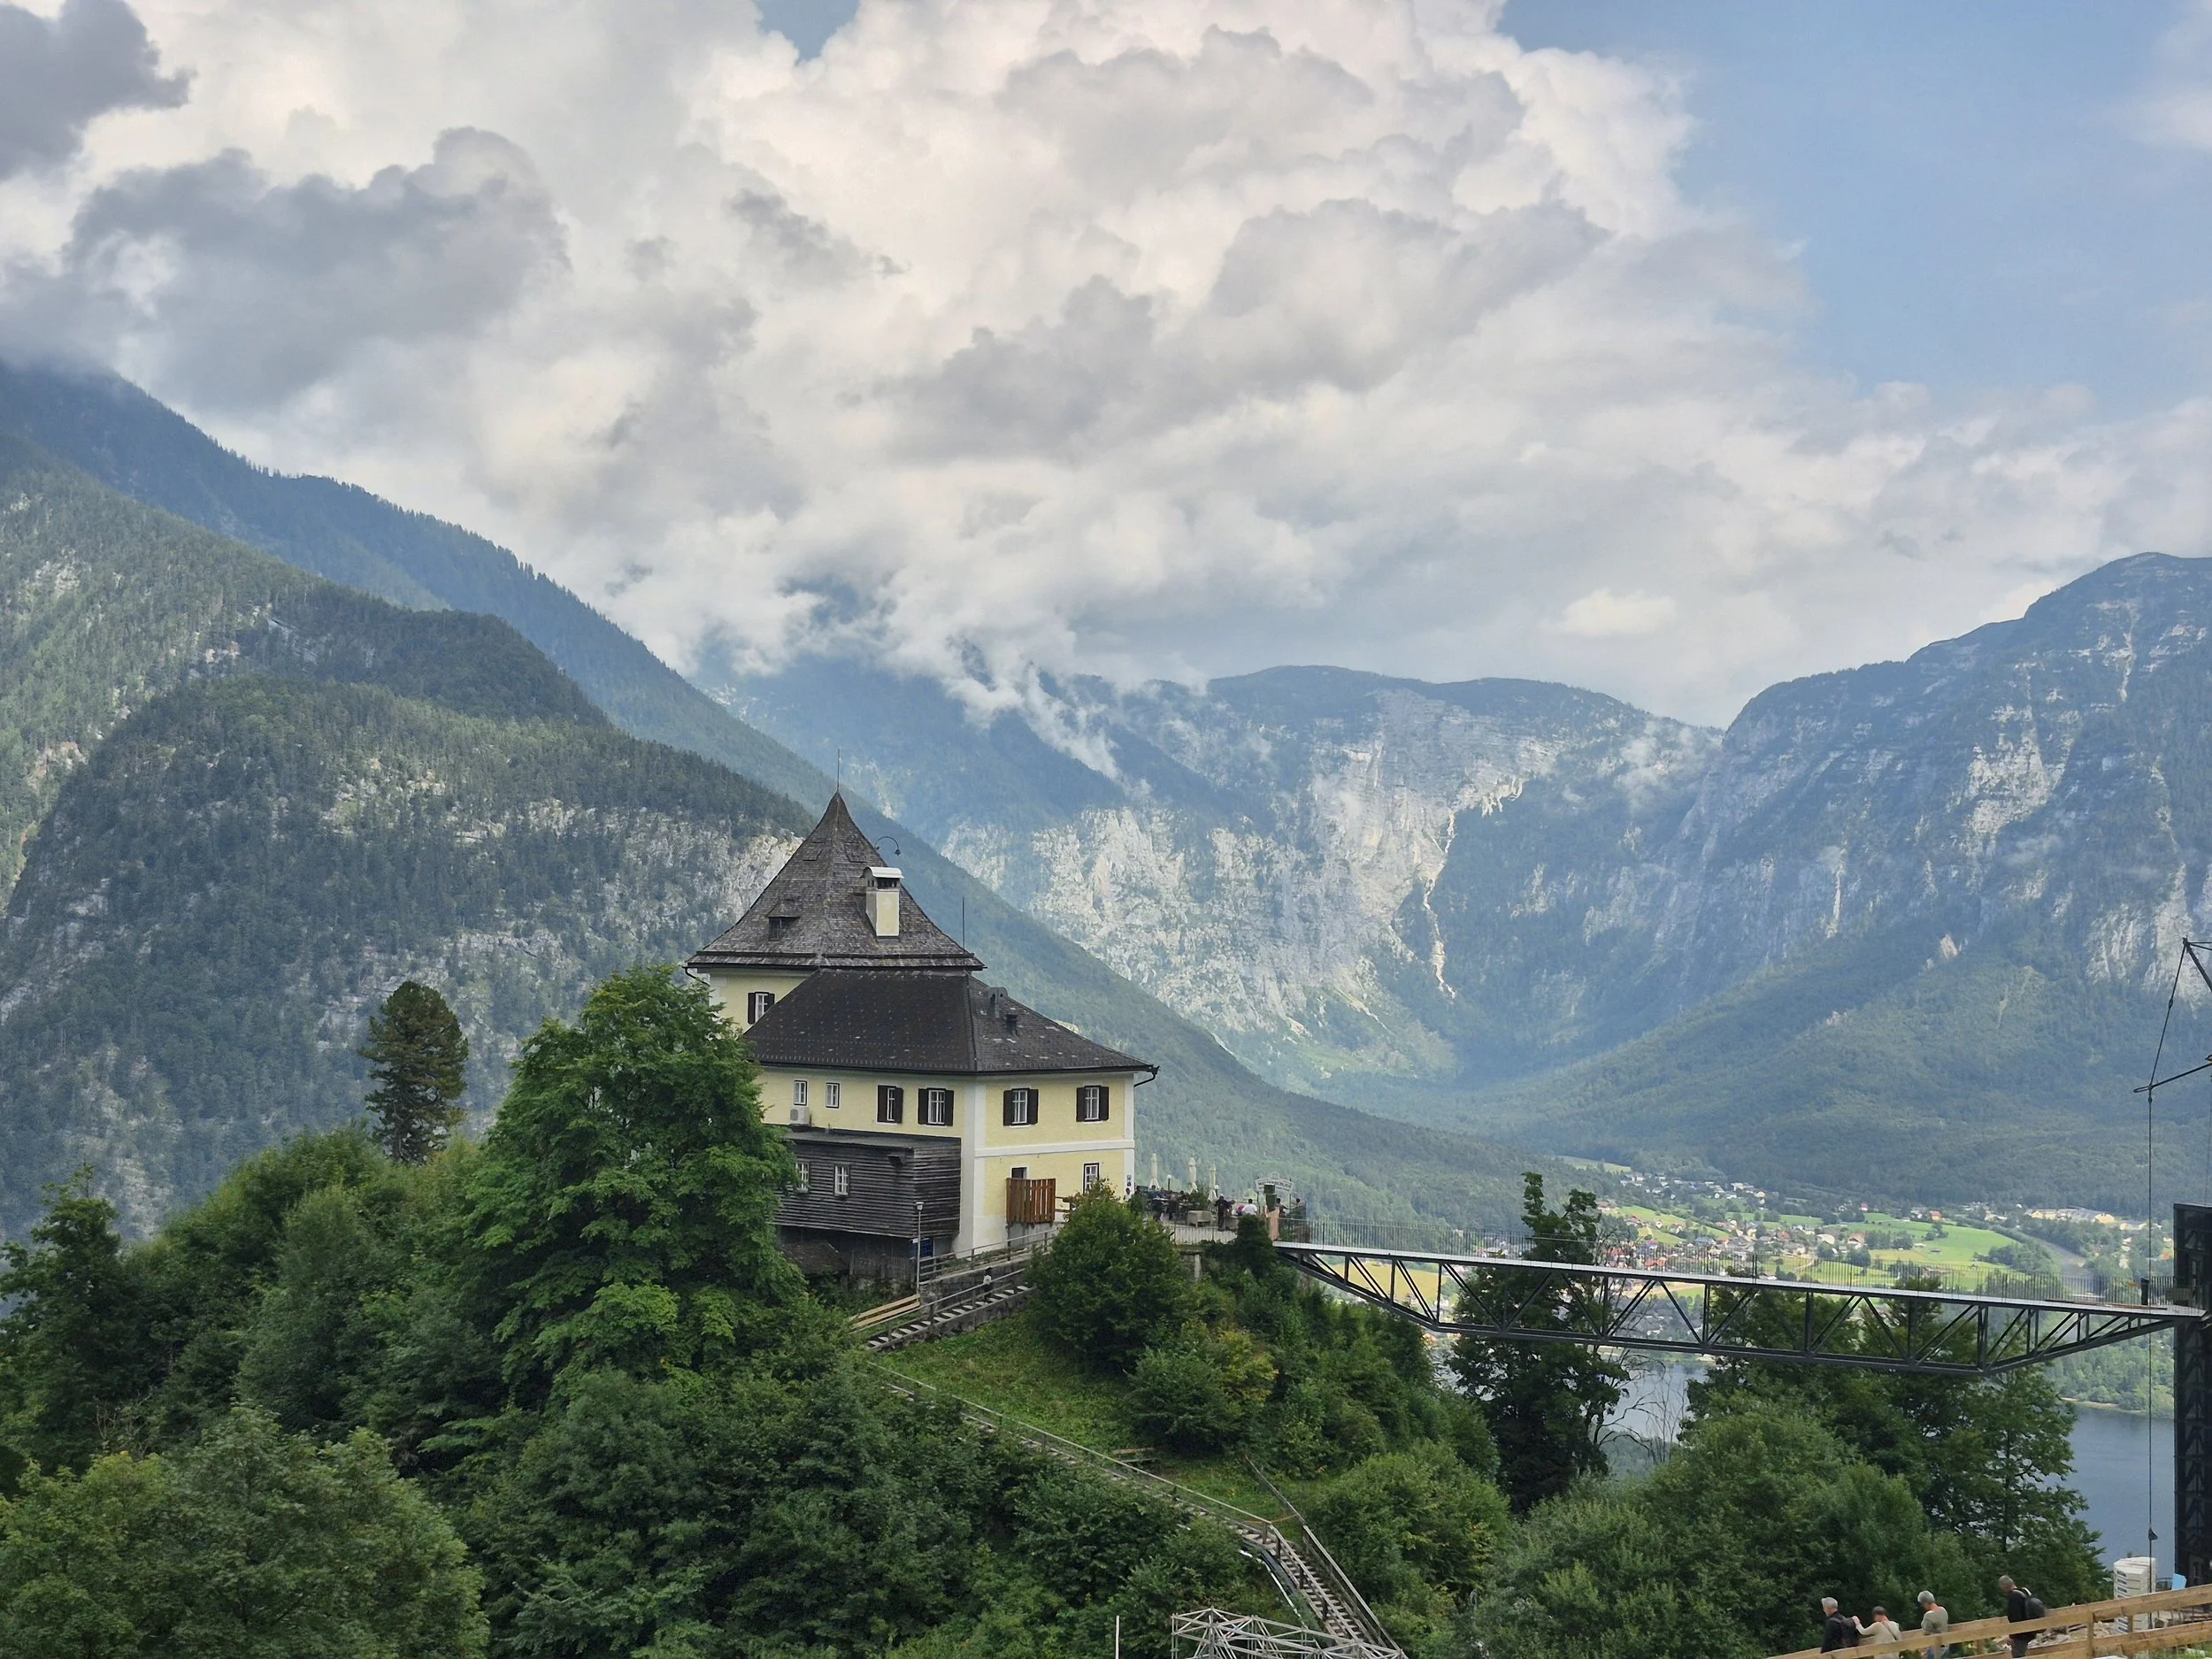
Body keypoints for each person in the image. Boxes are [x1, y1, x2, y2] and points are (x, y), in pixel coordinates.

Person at [1999, 1575, 2038, 1659]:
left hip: (2021, 1635)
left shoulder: (2014, 1597)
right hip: (2031, 1630)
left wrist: (2011, 1636)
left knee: (2018, 1656)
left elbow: (2016, 1619)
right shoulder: (2024, 1592)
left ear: (2004, 1587)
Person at [1916, 1589, 1949, 1659]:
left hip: (1934, 1649)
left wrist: (1923, 1652)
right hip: (1946, 1647)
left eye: (1922, 1604)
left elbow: (1926, 1634)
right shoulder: (1943, 1610)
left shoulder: (1928, 1616)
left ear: (1925, 1603)